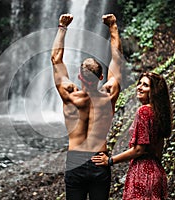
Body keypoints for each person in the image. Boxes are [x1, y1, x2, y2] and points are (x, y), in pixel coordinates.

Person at [51, 13, 123, 200]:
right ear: (101, 77)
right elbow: (117, 60)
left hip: (76, 159)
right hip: (100, 158)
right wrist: (113, 26)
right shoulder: (108, 95)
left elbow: (56, 60)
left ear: (79, 76)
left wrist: (62, 27)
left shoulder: (70, 96)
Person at [91, 72, 172, 199]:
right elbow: (159, 151)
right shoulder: (159, 113)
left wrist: (110, 160)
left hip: (143, 173)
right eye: (139, 83)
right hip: (157, 173)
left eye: (145, 85)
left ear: (154, 91)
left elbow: (139, 149)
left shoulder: (144, 111)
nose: (139, 87)